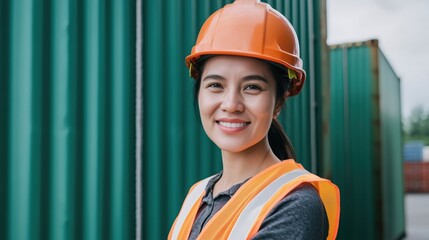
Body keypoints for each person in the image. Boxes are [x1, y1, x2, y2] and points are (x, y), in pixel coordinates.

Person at [169, 0, 340, 239]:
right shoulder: (196, 196)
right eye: (216, 85)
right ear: (199, 93)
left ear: (279, 101)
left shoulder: (294, 203)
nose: (231, 104)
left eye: (252, 87)